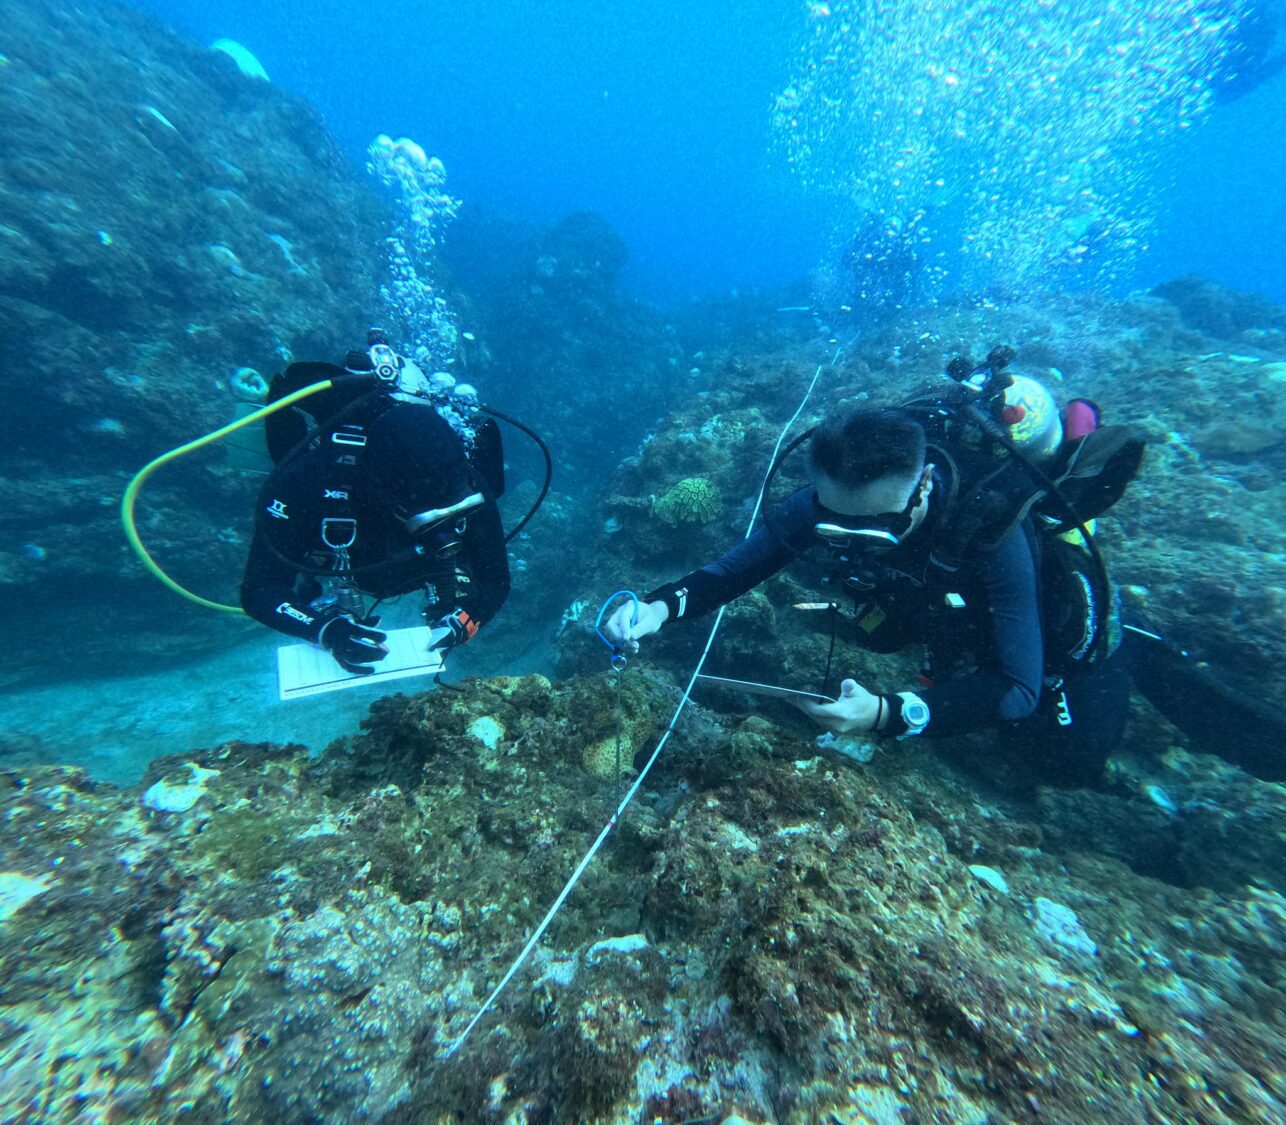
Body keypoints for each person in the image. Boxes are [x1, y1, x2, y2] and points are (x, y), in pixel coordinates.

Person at [606, 385, 1285, 785]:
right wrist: (657, 609)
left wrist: (886, 714)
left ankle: (1138, 649)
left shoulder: (993, 531)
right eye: (830, 521)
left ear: (922, 485)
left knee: (1058, 758)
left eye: (869, 528)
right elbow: (731, 572)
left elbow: (1018, 688)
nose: (842, 539)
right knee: (887, 627)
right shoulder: (824, 503)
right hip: (935, 604)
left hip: (1036, 628)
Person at [241, 344, 510, 675]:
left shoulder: (465, 482)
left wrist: (469, 615)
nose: (440, 523)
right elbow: (259, 588)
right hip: (355, 554)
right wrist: (324, 629)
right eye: (424, 516)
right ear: (381, 488)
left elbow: (496, 579)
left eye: (450, 510)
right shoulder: (308, 482)